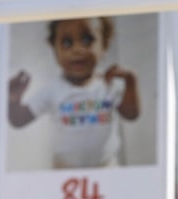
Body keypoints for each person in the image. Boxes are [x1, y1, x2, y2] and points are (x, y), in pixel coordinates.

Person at [7, 17, 140, 169]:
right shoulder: (52, 89)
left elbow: (131, 114)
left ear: (104, 45)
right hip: (65, 168)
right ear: (55, 50)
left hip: (106, 165)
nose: (77, 49)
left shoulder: (109, 84)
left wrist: (130, 81)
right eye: (67, 43)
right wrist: (13, 99)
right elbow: (18, 120)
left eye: (87, 40)